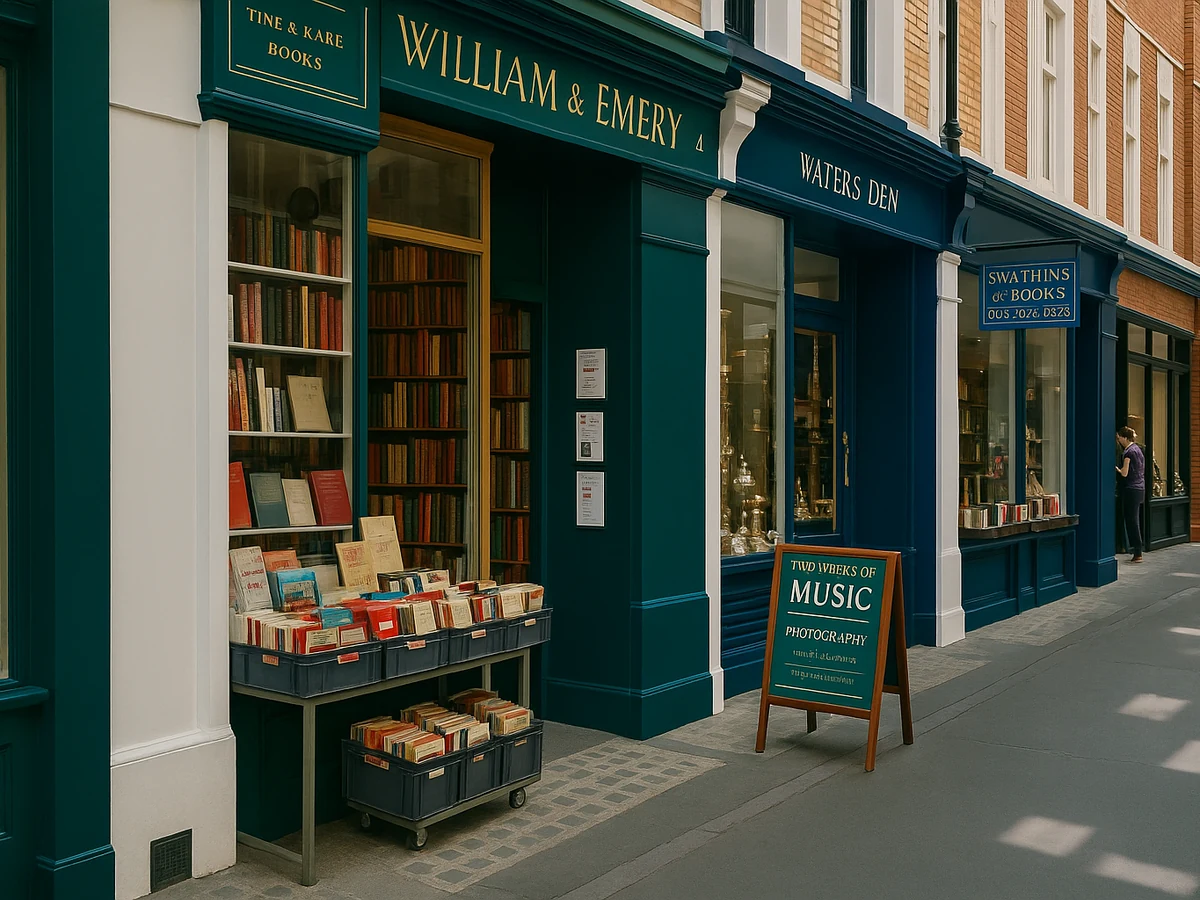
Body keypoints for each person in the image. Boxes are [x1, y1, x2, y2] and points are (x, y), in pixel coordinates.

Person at [1116, 426, 1145, 562]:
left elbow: (1124, 473)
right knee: (1135, 519)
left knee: (1132, 520)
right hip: (1140, 488)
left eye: (1119, 438)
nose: (1119, 441)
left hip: (1131, 489)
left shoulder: (1128, 452)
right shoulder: (1138, 450)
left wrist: (1116, 468)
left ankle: (1137, 551)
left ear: (1124, 437)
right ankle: (1137, 550)